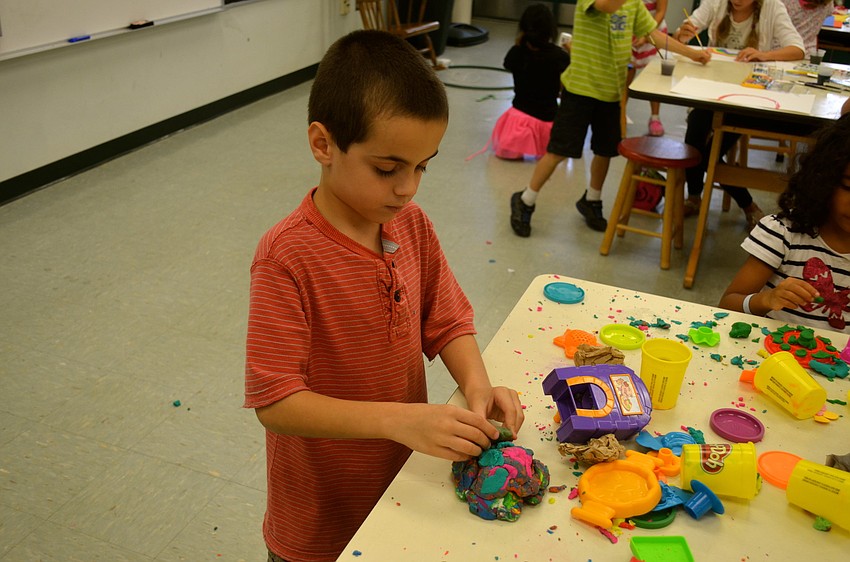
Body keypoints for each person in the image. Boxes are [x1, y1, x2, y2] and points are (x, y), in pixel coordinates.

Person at [244, 30, 525, 562]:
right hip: (320, 517)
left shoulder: (412, 227)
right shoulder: (285, 257)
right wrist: (401, 419)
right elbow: (276, 402)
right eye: (387, 169)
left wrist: (478, 386)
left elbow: (447, 320)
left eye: (422, 167)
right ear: (323, 145)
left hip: (402, 486)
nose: (408, 189)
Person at [509, 0, 710, 237]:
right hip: (580, 90)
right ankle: (526, 199)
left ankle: (592, 200)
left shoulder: (633, 4)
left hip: (611, 93)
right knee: (559, 151)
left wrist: (693, 54)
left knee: (604, 150)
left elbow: (653, 34)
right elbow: (608, 6)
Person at [673, 0, 806, 229]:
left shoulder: (772, 7)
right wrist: (681, 35)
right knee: (695, 129)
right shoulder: (715, 3)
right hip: (713, 91)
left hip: (747, 98)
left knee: (707, 154)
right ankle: (695, 197)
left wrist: (764, 55)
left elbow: (797, 49)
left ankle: (747, 204)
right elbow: (686, 31)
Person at [719, 113, 850, 332]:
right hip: (773, 358)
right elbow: (727, 305)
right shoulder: (783, 234)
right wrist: (766, 299)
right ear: (824, 178)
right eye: (848, 187)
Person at [489, 3, 571, 160]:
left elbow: (508, 64)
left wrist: (520, 43)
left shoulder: (516, 52)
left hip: (518, 121)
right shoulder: (559, 56)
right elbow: (572, 76)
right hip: (548, 119)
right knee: (551, 156)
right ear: (551, 30)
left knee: (508, 154)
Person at [627, 0, 669, 136]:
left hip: (653, 31)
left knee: (654, 78)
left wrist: (647, 35)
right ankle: (620, 112)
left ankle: (655, 117)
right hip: (630, 31)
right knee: (626, 75)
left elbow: (661, 11)